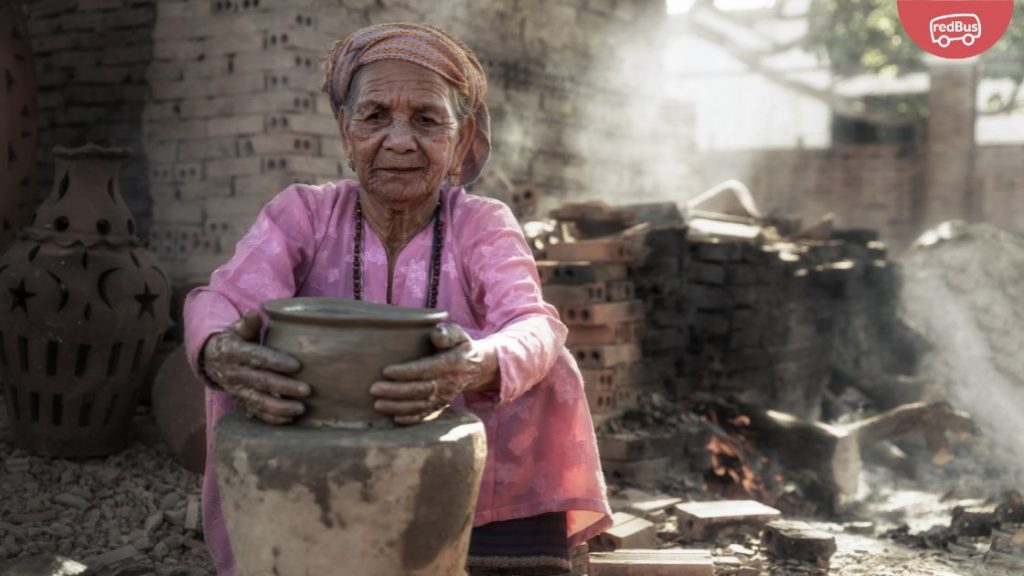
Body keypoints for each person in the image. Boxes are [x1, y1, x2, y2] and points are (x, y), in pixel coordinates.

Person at [184, 22, 612, 576]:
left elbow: (532, 322)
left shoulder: (480, 222)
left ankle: (492, 558)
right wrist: (218, 352)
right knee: (235, 358)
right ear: (345, 130)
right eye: (376, 116)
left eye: (428, 119)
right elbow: (221, 299)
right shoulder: (304, 213)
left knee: (550, 371)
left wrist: (473, 364)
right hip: (318, 443)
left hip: (457, 463)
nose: (401, 140)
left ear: (459, 140)